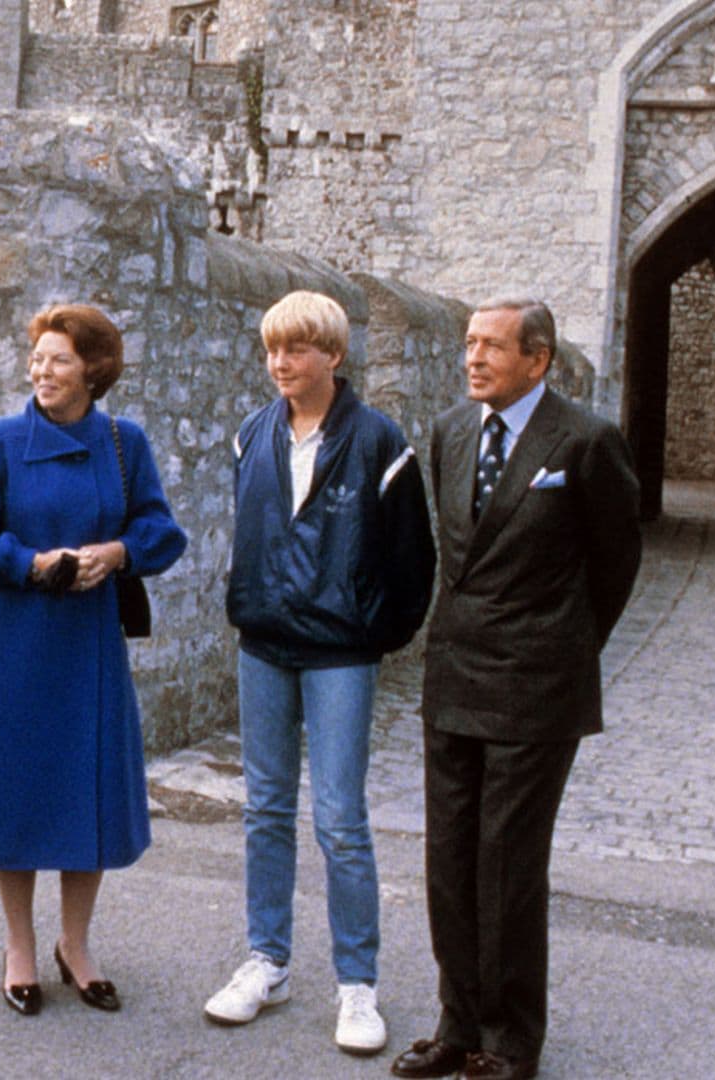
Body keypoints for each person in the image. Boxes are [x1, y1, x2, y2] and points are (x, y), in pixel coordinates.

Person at [390, 299, 643, 1080]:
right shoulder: (450, 432)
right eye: (468, 343)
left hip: (537, 687)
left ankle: (508, 1040)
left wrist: (561, 646)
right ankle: (455, 1022)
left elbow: (615, 564)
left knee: (507, 863)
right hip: (456, 677)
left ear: (537, 360)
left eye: (490, 347)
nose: (472, 358)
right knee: (449, 858)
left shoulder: (586, 442)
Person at [0, 303, 186, 1017]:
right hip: (11, 638)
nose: (42, 371)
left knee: (83, 791)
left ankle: (77, 944)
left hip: (87, 645)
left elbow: (162, 530)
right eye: (36, 358)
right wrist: (33, 562)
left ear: (94, 370)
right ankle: (19, 948)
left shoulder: (125, 444)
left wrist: (118, 552)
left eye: (58, 359)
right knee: (16, 790)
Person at [205, 290, 434, 1055]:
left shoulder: (378, 441)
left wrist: (375, 631)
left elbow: (413, 559)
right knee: (265, 809)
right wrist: (249, 605)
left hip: (341, 652)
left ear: (332, 356)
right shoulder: (251, 434)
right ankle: (267, 961)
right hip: (264, 644)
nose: (280, 363)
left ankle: (357, 984)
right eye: (272, 349)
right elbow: (248, 532)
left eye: (297, 350)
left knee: (339, 819)